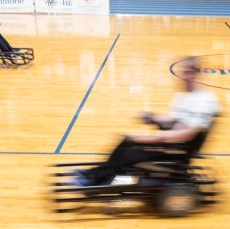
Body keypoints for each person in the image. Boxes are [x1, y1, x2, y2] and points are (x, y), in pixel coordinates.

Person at [73, 58, 219, 186]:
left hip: (178, 149)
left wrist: (150, 138)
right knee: (126, 141)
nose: (183, 76)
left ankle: (95, 179)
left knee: (129, 153)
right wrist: (151, 116)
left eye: (187, 72)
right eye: (183, 72)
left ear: (196, 73)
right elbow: (171, 121)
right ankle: (95, 174)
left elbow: (187, 134)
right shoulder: (184, 97)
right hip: (171, 144)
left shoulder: (205, 100)